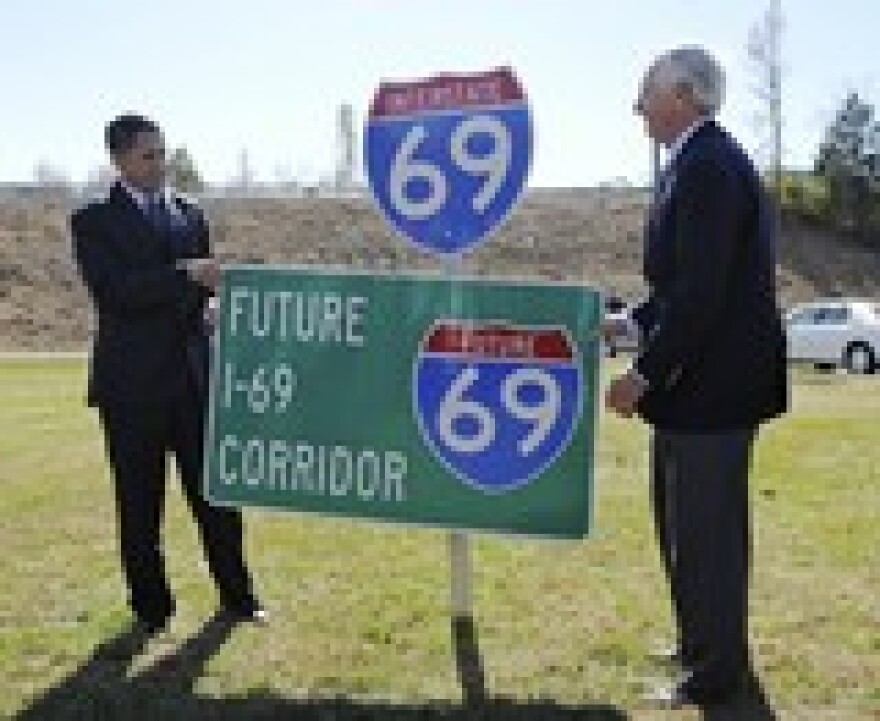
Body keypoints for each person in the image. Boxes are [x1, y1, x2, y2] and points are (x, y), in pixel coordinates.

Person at [604, 47, 788, 707]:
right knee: (681, 526)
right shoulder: (694, 160)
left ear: (683, 94)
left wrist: (642, 375)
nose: (637, 109)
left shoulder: (708, 166)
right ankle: (700, 643)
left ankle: (716, 674)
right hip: (697, 392)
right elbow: (677, 286)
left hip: (712, 393)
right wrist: (625, 325)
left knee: (706, 538)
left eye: (644, 94)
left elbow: (702, 298)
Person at [71, 114, 264, 634]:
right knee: (140, 507)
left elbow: (201, 292)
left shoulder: (191, 215)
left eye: (163, 152)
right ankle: (152, 612)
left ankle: (240, 599)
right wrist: (184, 276)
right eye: (148, 155)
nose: (160, 164)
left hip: (194, 383)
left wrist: (212, 305)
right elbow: (117, 293)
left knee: (217, 500)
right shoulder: (92, 221)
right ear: (119, 159)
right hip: (131, 391)